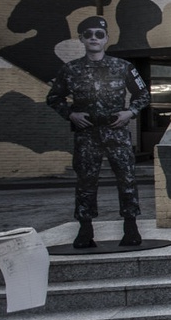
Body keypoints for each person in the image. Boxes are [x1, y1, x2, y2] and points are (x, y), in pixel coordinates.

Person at [45, 15, 150, 248]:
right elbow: (54, 97)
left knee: (127, 180)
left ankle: (131, 228)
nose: (94, 38)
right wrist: (70, 114)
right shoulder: (70, 69)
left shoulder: (123, 67)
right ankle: (85, 231)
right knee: (85, 182)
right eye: (89, 35)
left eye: (99, 35)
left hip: (117, 132)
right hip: (87, 134)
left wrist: (129, 113)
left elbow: (143, 95)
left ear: (106, 39)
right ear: (81, 38)